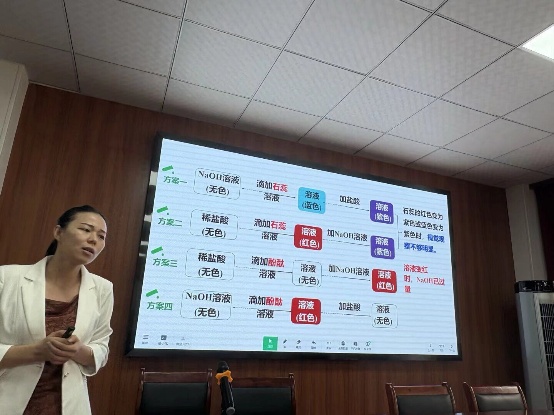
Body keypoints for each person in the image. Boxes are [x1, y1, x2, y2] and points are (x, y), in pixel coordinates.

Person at [0, 205, 114, 415]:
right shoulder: (6, 278)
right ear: (58, 232)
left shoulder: (103, 289)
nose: (93, 240)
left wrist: (78, 351)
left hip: (68, 406)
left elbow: (101, 347)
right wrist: (37, 352)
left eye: (101, 236)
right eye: (86, 229)